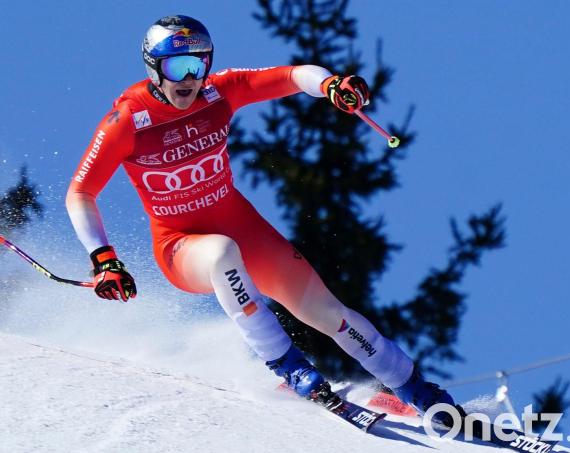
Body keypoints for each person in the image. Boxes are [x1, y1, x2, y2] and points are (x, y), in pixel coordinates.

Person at [66, 14, 457, 419]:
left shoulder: (220, 92)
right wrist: (103, 258)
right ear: (153, 67)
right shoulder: (129, 119)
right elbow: (80, 193)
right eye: (176, 67)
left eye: (198, 65)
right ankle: (291, 369)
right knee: (220, 254)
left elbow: (292, 75)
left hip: (244, 230)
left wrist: (330, 85)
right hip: (181, 247)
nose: (188, 78)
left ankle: (418, 391)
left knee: (329, 313)